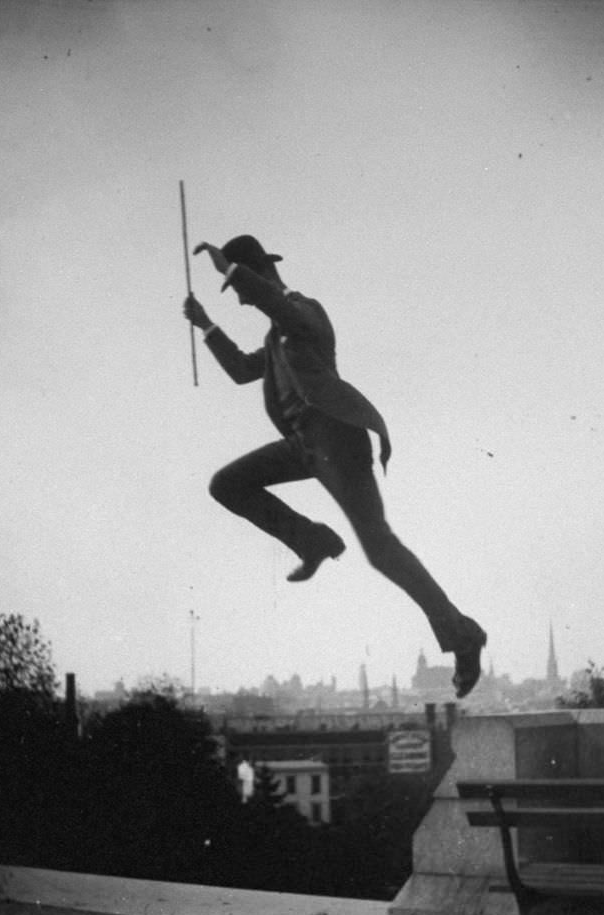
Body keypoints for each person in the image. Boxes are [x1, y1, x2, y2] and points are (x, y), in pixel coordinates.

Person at [182, 234, 487, 698]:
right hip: (305, 445)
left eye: (241, 287)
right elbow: (245, 370)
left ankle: (463, 635)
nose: (240, 299)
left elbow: (276, 305)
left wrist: (228, 270)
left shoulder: (305, 312)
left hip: (338, 440)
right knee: (226, 484)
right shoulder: (275, 337)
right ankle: (313, 540)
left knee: (381, 550)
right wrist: (206, 326)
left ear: (258, 273)